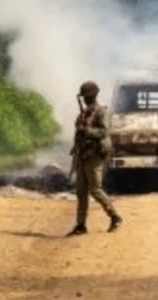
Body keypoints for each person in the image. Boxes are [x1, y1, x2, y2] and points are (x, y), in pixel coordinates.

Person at [69, 80, 122, 236]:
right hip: (82, 155)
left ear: (92, 96)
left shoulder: (101, 112)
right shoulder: (84, 113)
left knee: (95, 189)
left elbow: (104, 131)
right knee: (81, 192)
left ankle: (114, 216)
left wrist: (87, 131)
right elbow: (78, 134)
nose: (85, 100)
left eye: (87, 97)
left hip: (94, 155)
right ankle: (81, 225)